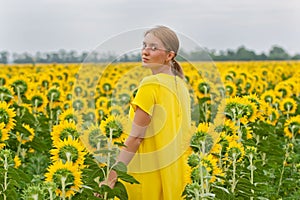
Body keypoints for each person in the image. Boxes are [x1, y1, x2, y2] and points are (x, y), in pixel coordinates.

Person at [104, 25, 192, 199]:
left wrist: (111, 177)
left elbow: (136, 138)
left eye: (153, 48)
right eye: (144, 45)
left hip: (146, 176)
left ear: (169, 55)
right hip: (175, 176)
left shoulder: (150, 84)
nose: (145, 51)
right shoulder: (181, 85)